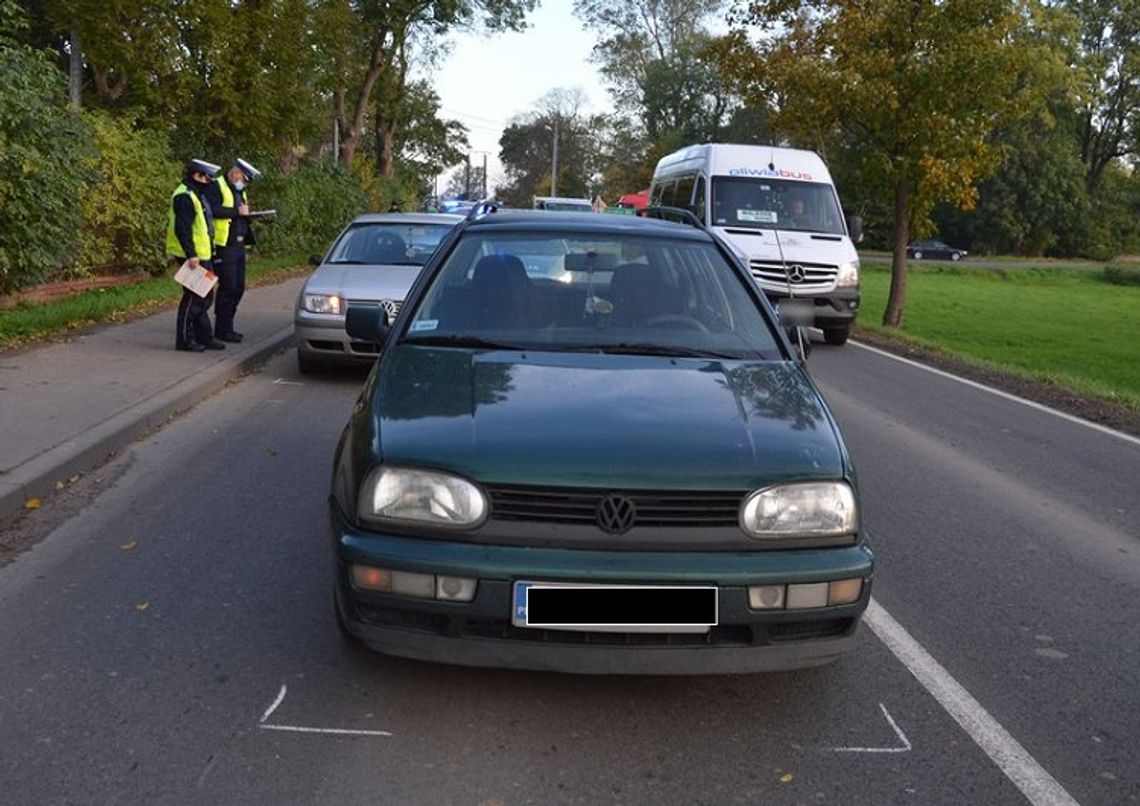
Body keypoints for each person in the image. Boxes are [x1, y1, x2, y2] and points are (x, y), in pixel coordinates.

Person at [167, 159, 226, 352]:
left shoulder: (195, 193)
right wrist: (191, 254)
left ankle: (204, 337)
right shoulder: (184, 196)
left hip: (202, 254)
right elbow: (182, 229)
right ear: (197, 176)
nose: (209, 182)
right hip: (192, 256)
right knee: (195, 297)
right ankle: (184, 340)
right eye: (207, 178)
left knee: (205, 296)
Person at [205, 158, 261, 342]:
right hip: (224, 245)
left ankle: (228, 325)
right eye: (245, 179)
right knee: (228, 287)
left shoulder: (240, 192)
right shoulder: (217, 186)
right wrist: (237, 213)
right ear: (236, 173)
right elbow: (211, 210)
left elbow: (240, 214)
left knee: (238, 287)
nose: (244, 183)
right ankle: (222, 329)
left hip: (238, 245)